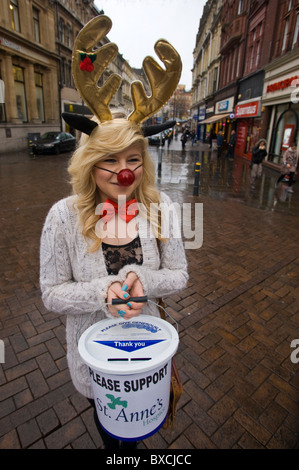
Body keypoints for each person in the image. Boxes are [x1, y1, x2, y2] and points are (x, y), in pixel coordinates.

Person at [39, 15, 188, 450]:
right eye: (110, 160)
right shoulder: (62, 217)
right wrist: (104, 291)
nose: (124, 171)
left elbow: (180, 275)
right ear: (90, 163)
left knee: (142, 431)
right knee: (113, 435)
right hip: (96, 359)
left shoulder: (161, 209)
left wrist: (146, 284)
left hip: (149, 352)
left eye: (133, 159)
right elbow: (51, 293)